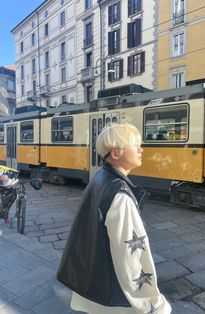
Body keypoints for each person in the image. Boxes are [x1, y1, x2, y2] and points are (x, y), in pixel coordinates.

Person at [57, 123, 172, 314]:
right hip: (115, 299)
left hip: (95, 288)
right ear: (116, 153)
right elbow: (130, 256)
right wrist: (152, 304)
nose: (141, 149)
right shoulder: (120, 196)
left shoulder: (100, 179)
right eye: (135, 144)